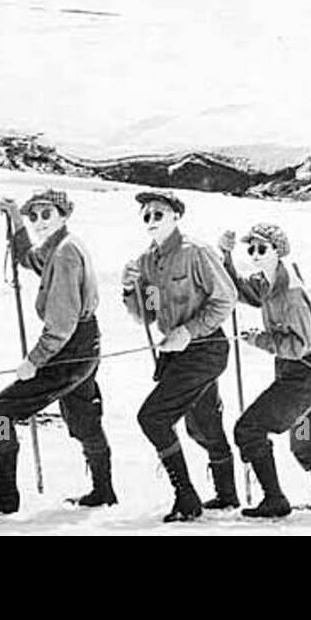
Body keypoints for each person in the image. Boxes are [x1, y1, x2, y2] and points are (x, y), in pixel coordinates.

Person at [0, 189, 114, 515]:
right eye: (33, 215)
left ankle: (4, 496)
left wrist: (34, 361)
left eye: (46, 214)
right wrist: (17, 221)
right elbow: (28, 258)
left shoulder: (64, 254)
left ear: (63, 215)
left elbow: (60, 325)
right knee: (83, 414)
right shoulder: (60, 245)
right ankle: (104, 491)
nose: (39, 221)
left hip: (69, 350)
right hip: (85, 345)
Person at [122, 190, 237, 523]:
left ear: (175, 216)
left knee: (153, 418)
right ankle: (228, 495)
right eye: (146, 216)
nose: (152, 220)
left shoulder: (196, 252)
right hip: (176, 353)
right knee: (203, 423)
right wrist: (131, 291)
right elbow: (148, 314)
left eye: (159, 214)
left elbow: (225, 299)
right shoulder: (146, 261)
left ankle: (186, 498)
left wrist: (188, 331)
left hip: (205, 348)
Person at [221, 222, 311, 519]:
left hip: (305, 375)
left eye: (262, 248)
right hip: (301, 374)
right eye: (251, 249)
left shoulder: (290, 293)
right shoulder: (268, 281)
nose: (255, 254)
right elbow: (240, 291)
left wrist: (259, 339)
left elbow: (300, 345)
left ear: (278, 251)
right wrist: (226, 256)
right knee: (305, 440)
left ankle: (274, 500)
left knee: (249, 429)